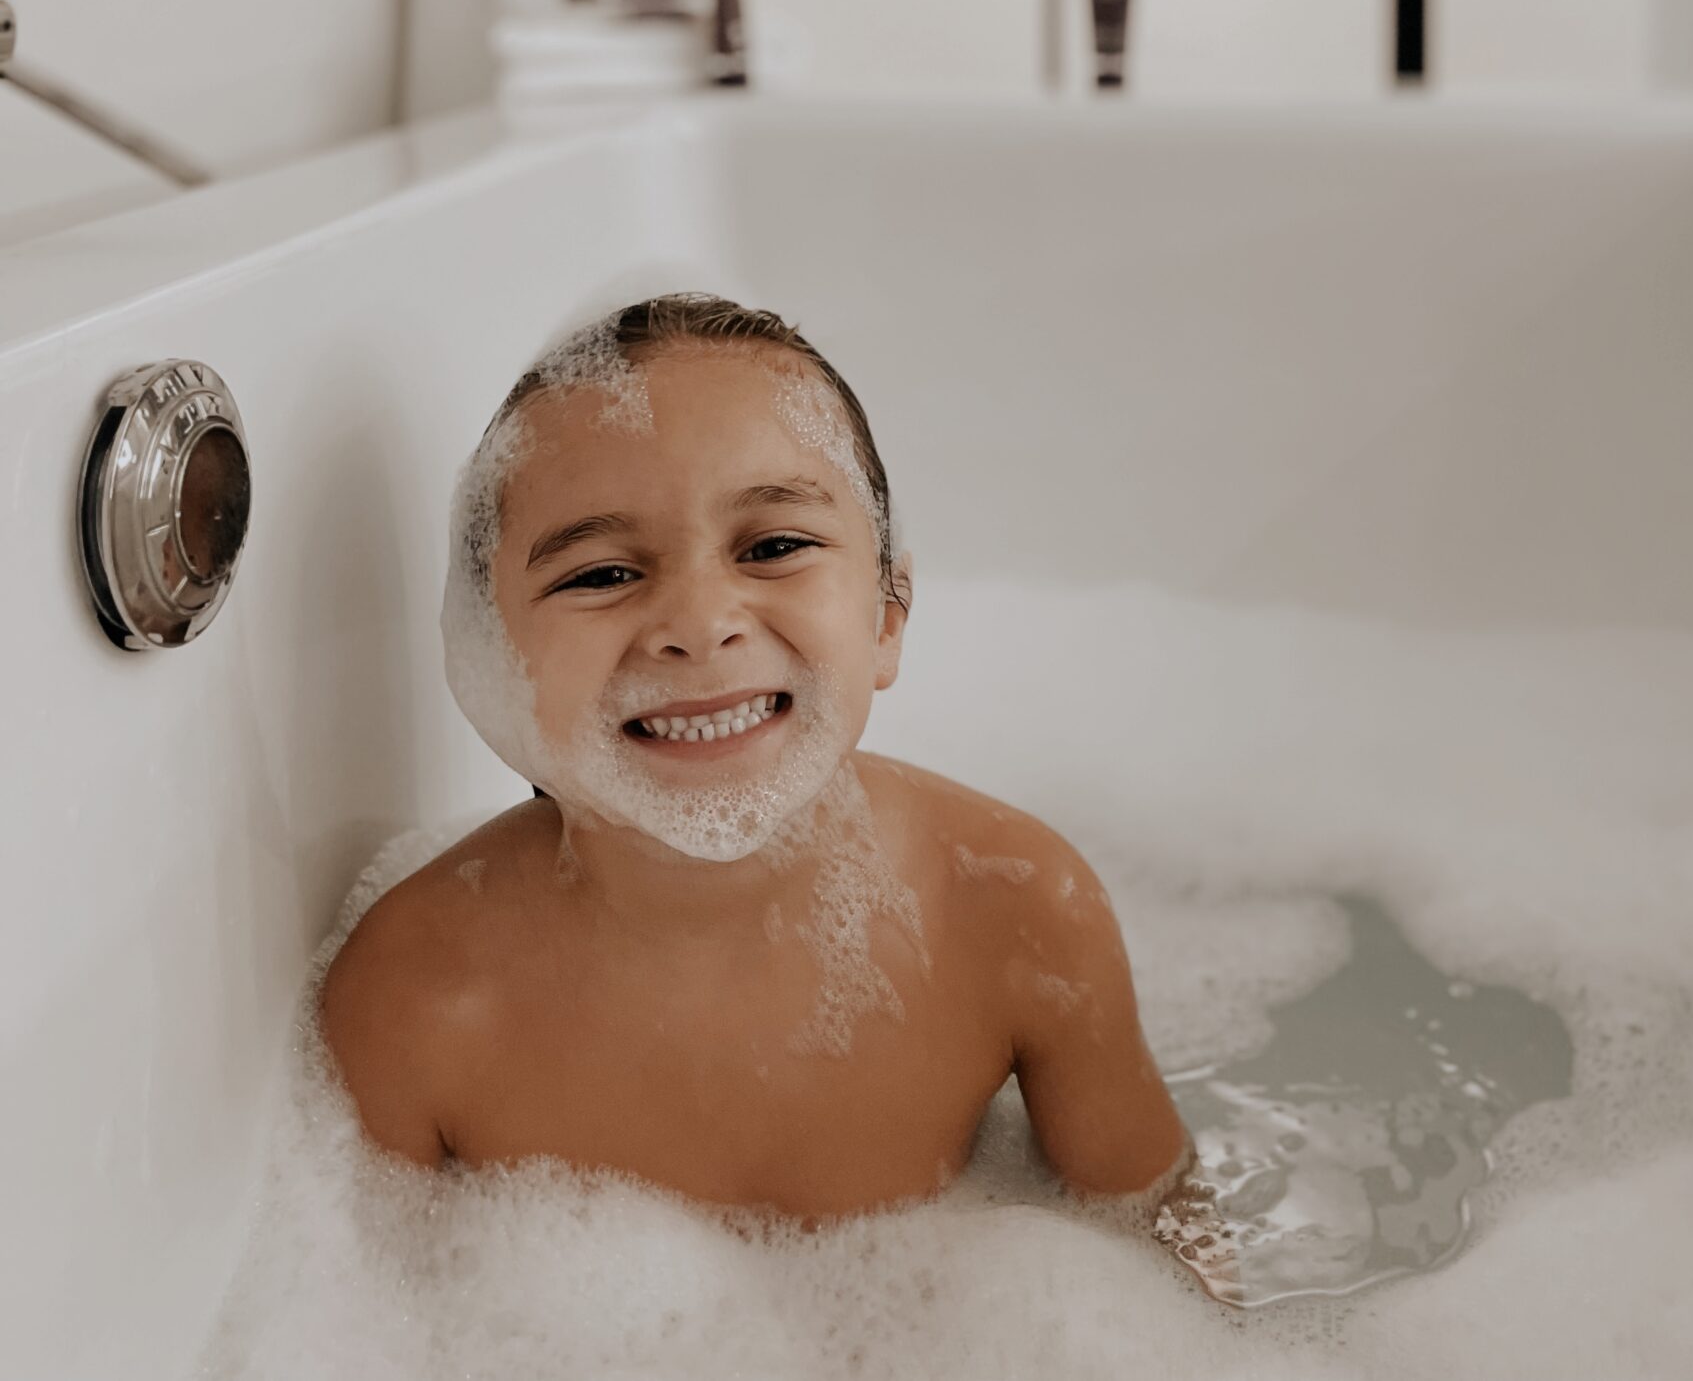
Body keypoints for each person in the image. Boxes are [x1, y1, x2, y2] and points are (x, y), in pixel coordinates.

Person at [320, 294, 1227, 1287]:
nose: (699, 622)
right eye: (603, 571)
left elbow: (1164, 1258)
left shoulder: (1013, 905)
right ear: (495, 658)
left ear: (886, 616)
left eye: (772, 546)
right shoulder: (416, 1000)